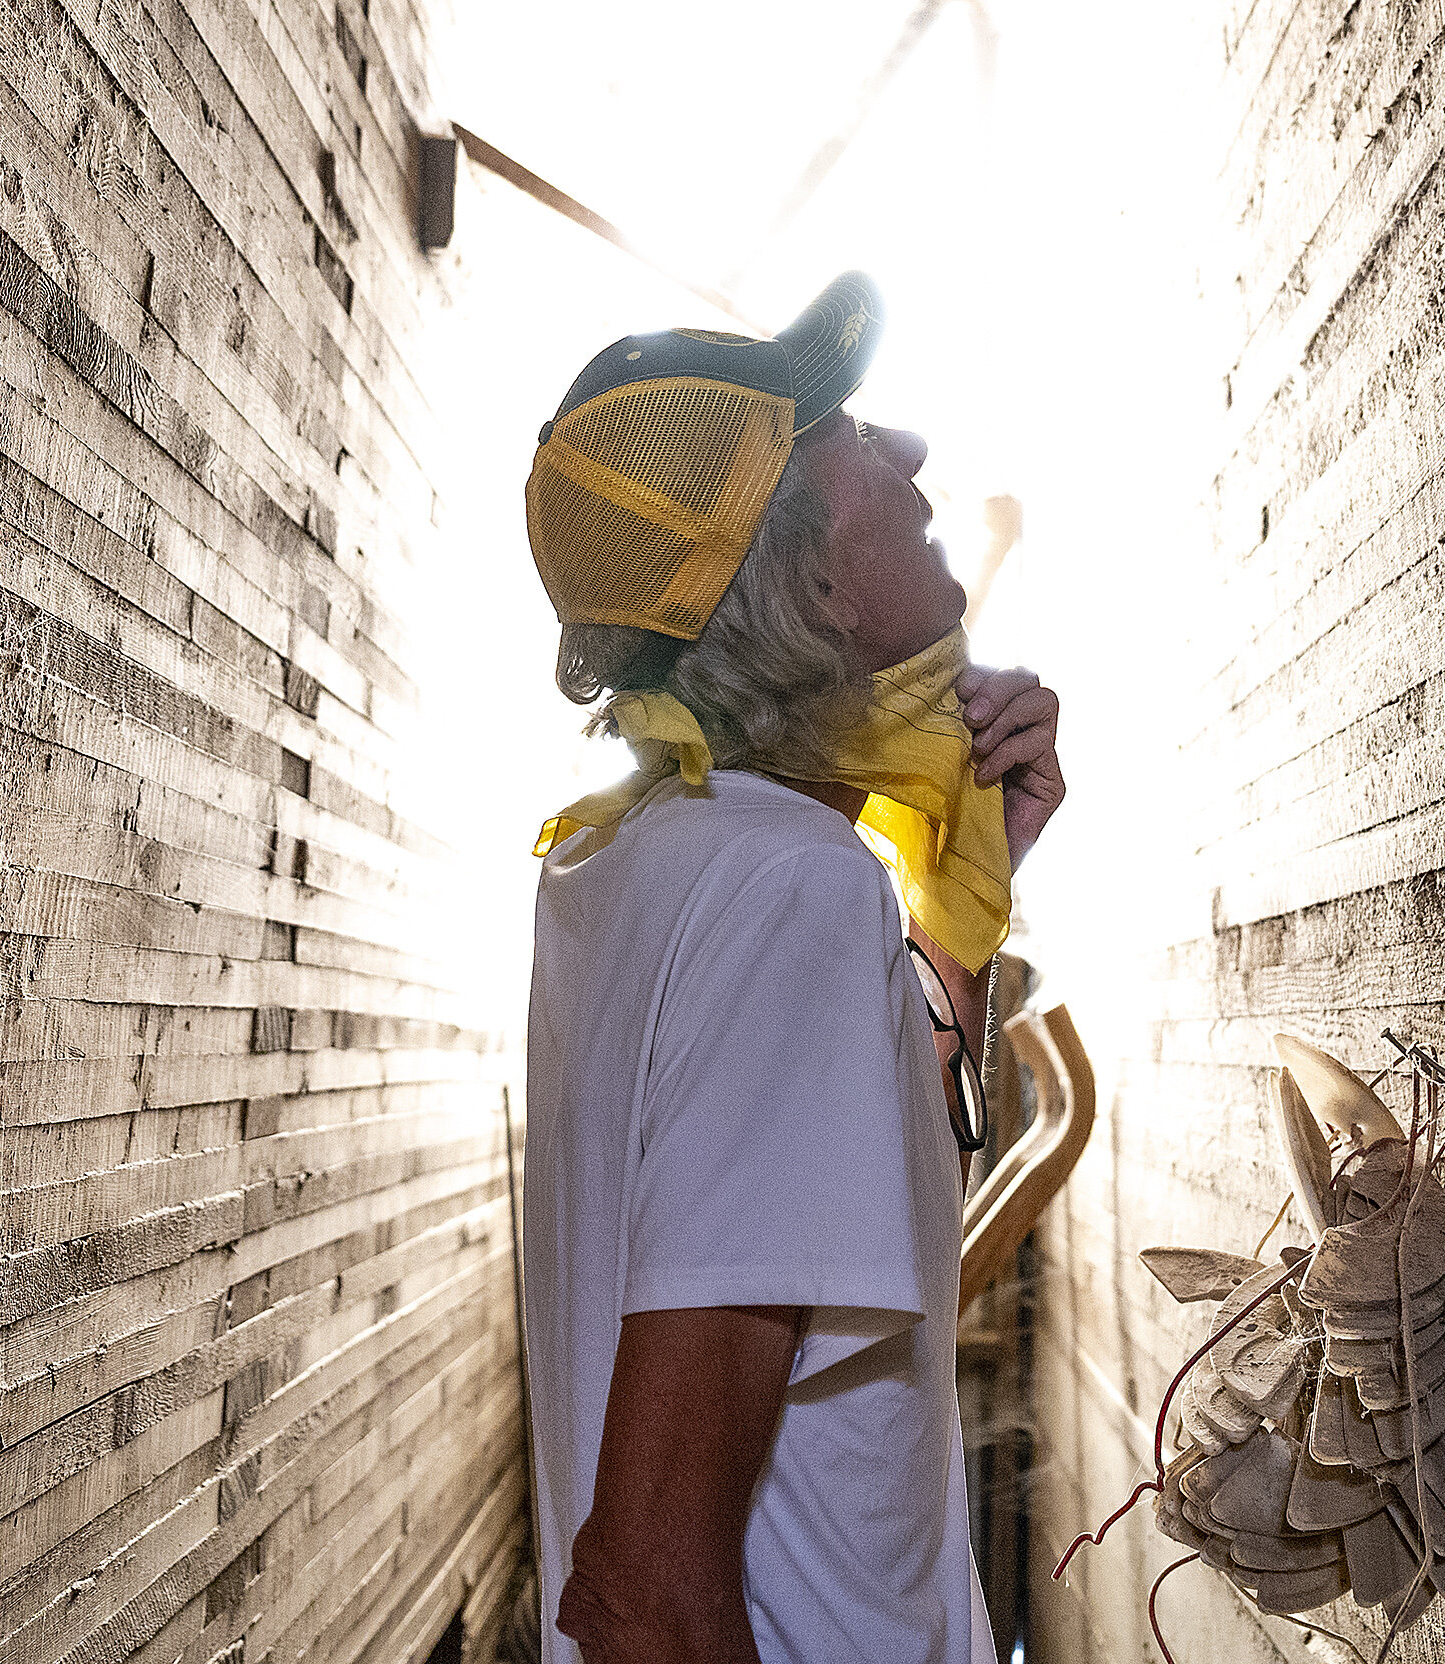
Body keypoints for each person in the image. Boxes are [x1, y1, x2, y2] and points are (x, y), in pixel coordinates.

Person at [520, 272, 1066, 1664]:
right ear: (813, 581)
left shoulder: (637, 855)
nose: (911, 455)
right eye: (851, 434)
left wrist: (958, 907)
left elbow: (809, 1196)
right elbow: (640, 1586)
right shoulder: (792, 888)